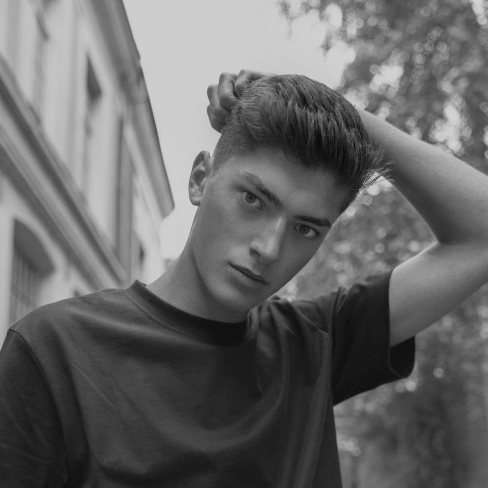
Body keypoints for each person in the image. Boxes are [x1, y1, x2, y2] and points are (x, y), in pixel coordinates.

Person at [1, 71, 487, 488]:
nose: (269, 248)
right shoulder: (54, 349)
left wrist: (341, 114)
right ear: (200, 179)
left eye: (305, 228)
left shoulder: (313, 345)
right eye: (254, 200)